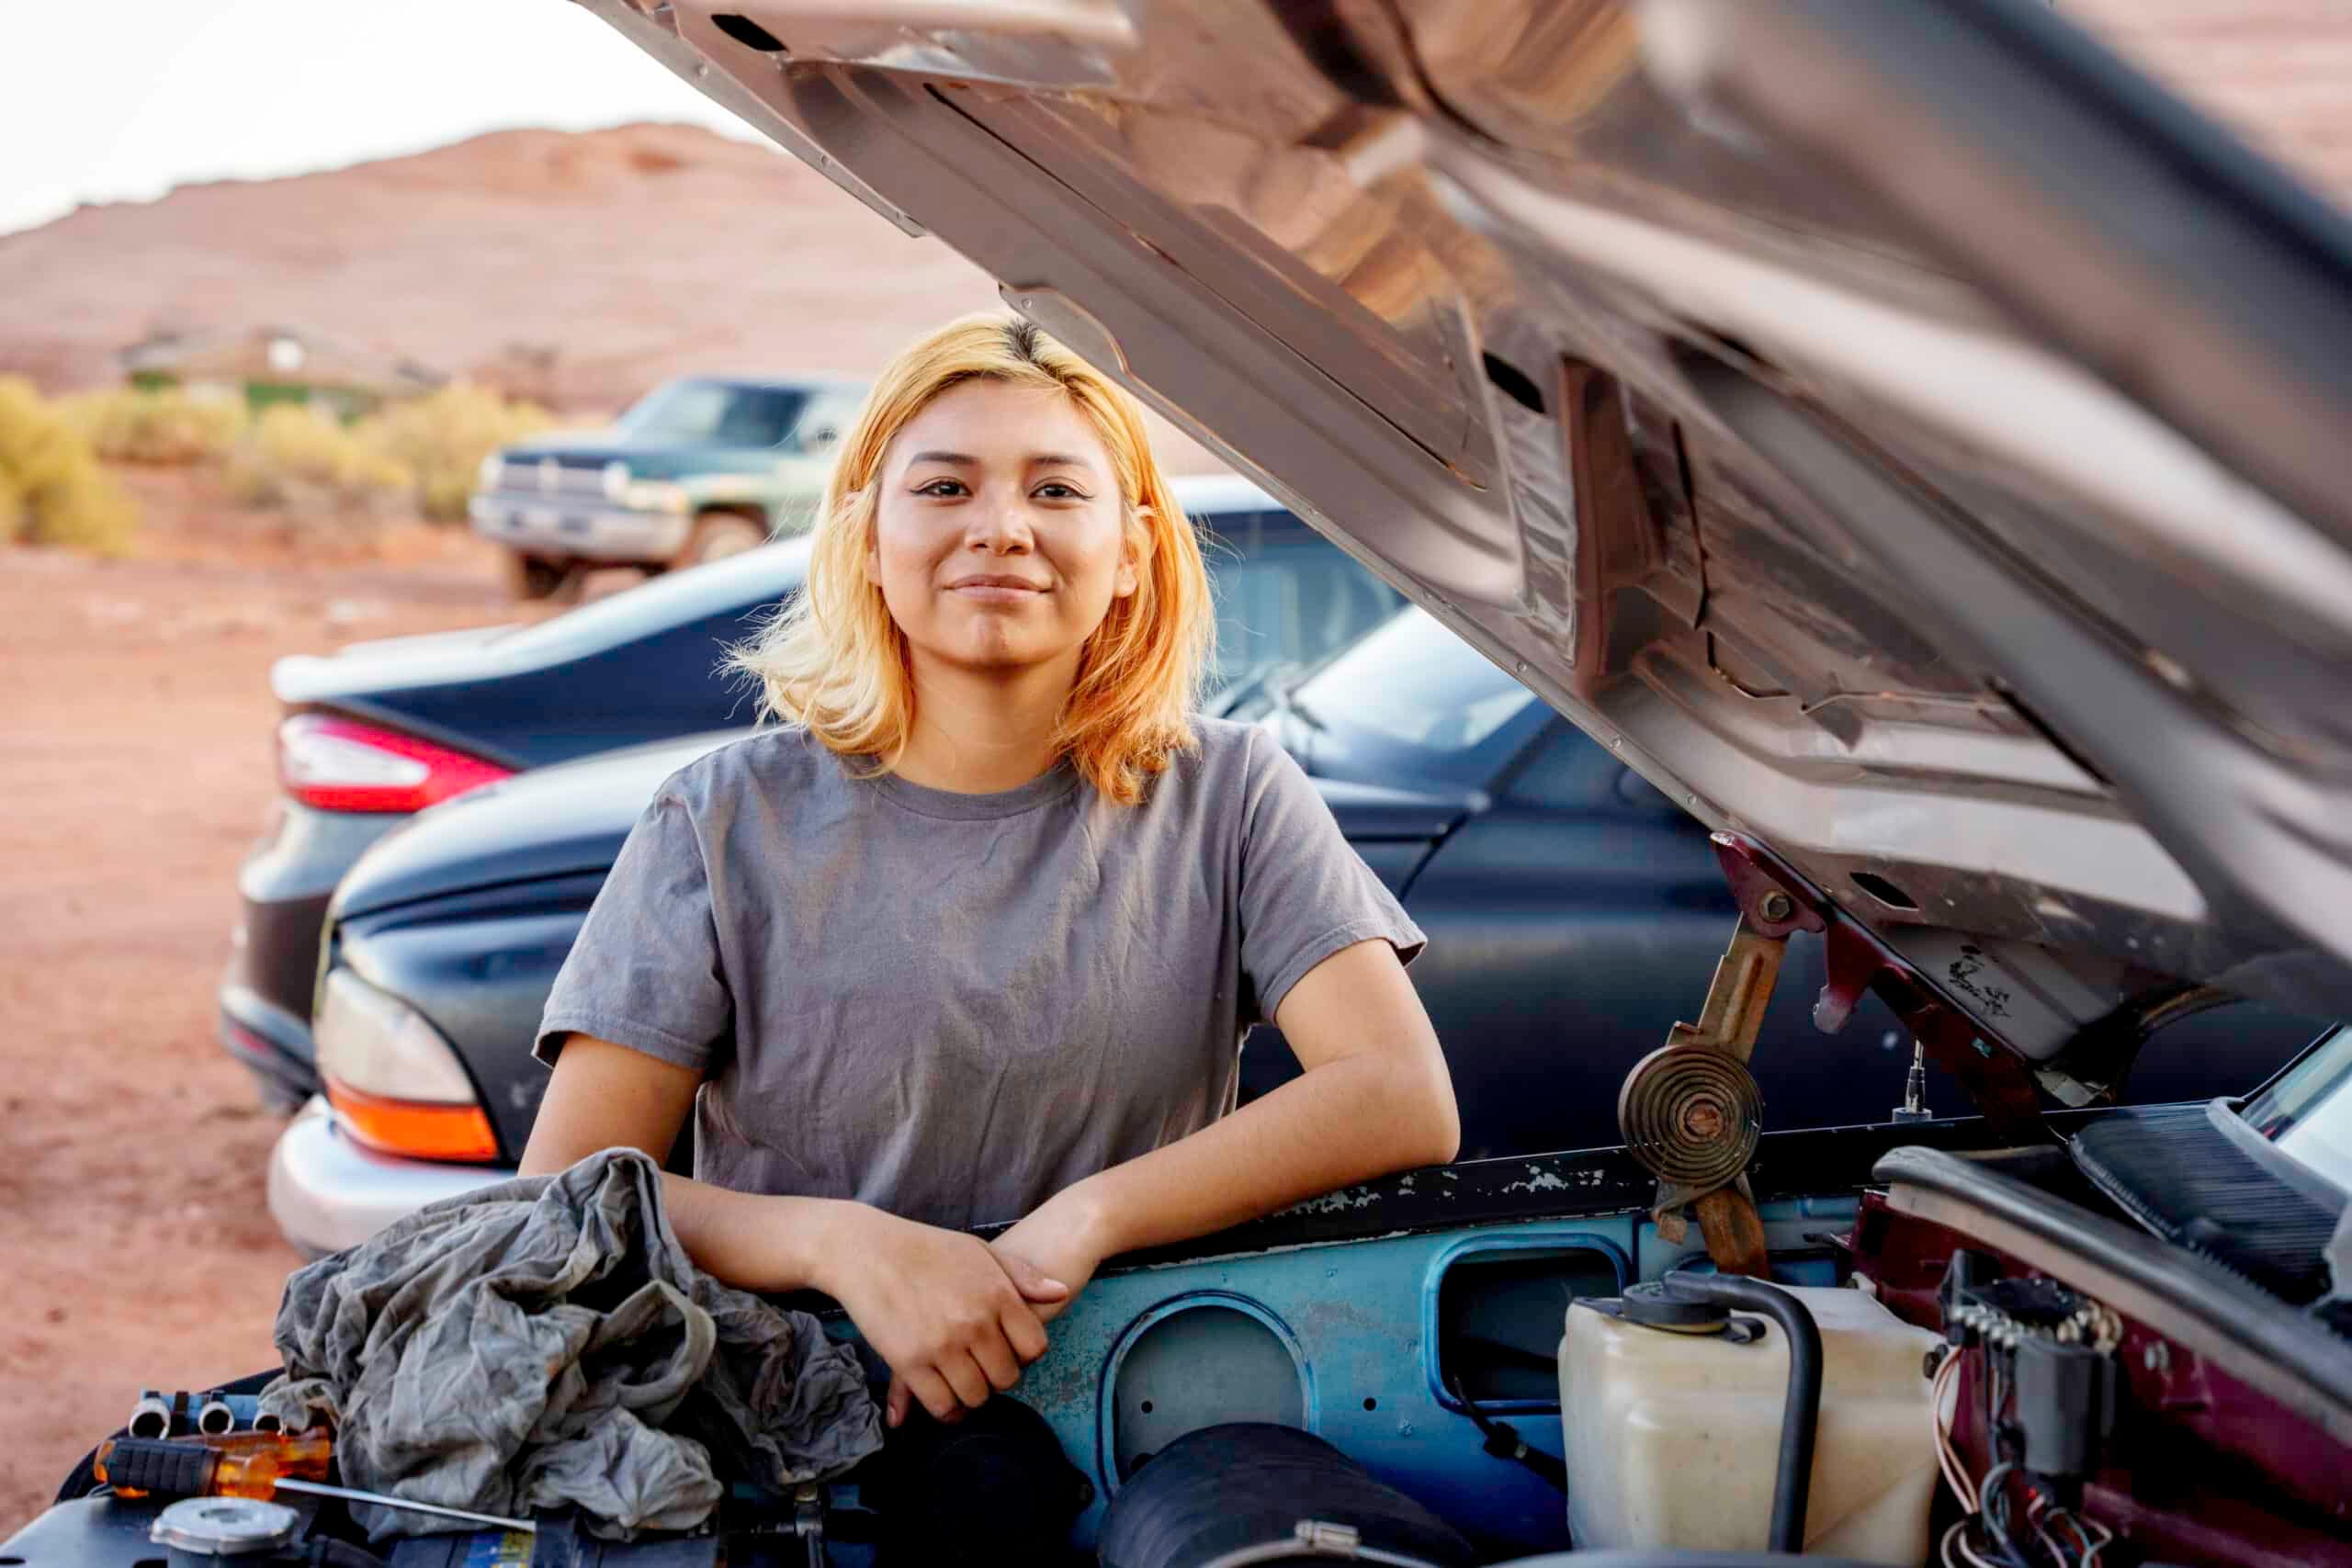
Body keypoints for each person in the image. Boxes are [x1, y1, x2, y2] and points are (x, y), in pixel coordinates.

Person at [519, 314, 1459, 1537]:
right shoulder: (722, 816)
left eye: (1055, 489)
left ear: (1130, 552)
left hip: (1142, 1426)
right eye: (946, 485)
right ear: (867, 539)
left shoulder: (1230, 795)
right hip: (782, 1445)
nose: (999, 527)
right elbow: (570, 1191)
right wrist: (848, 1249)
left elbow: (1398, 1094)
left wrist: (1087, 1218)